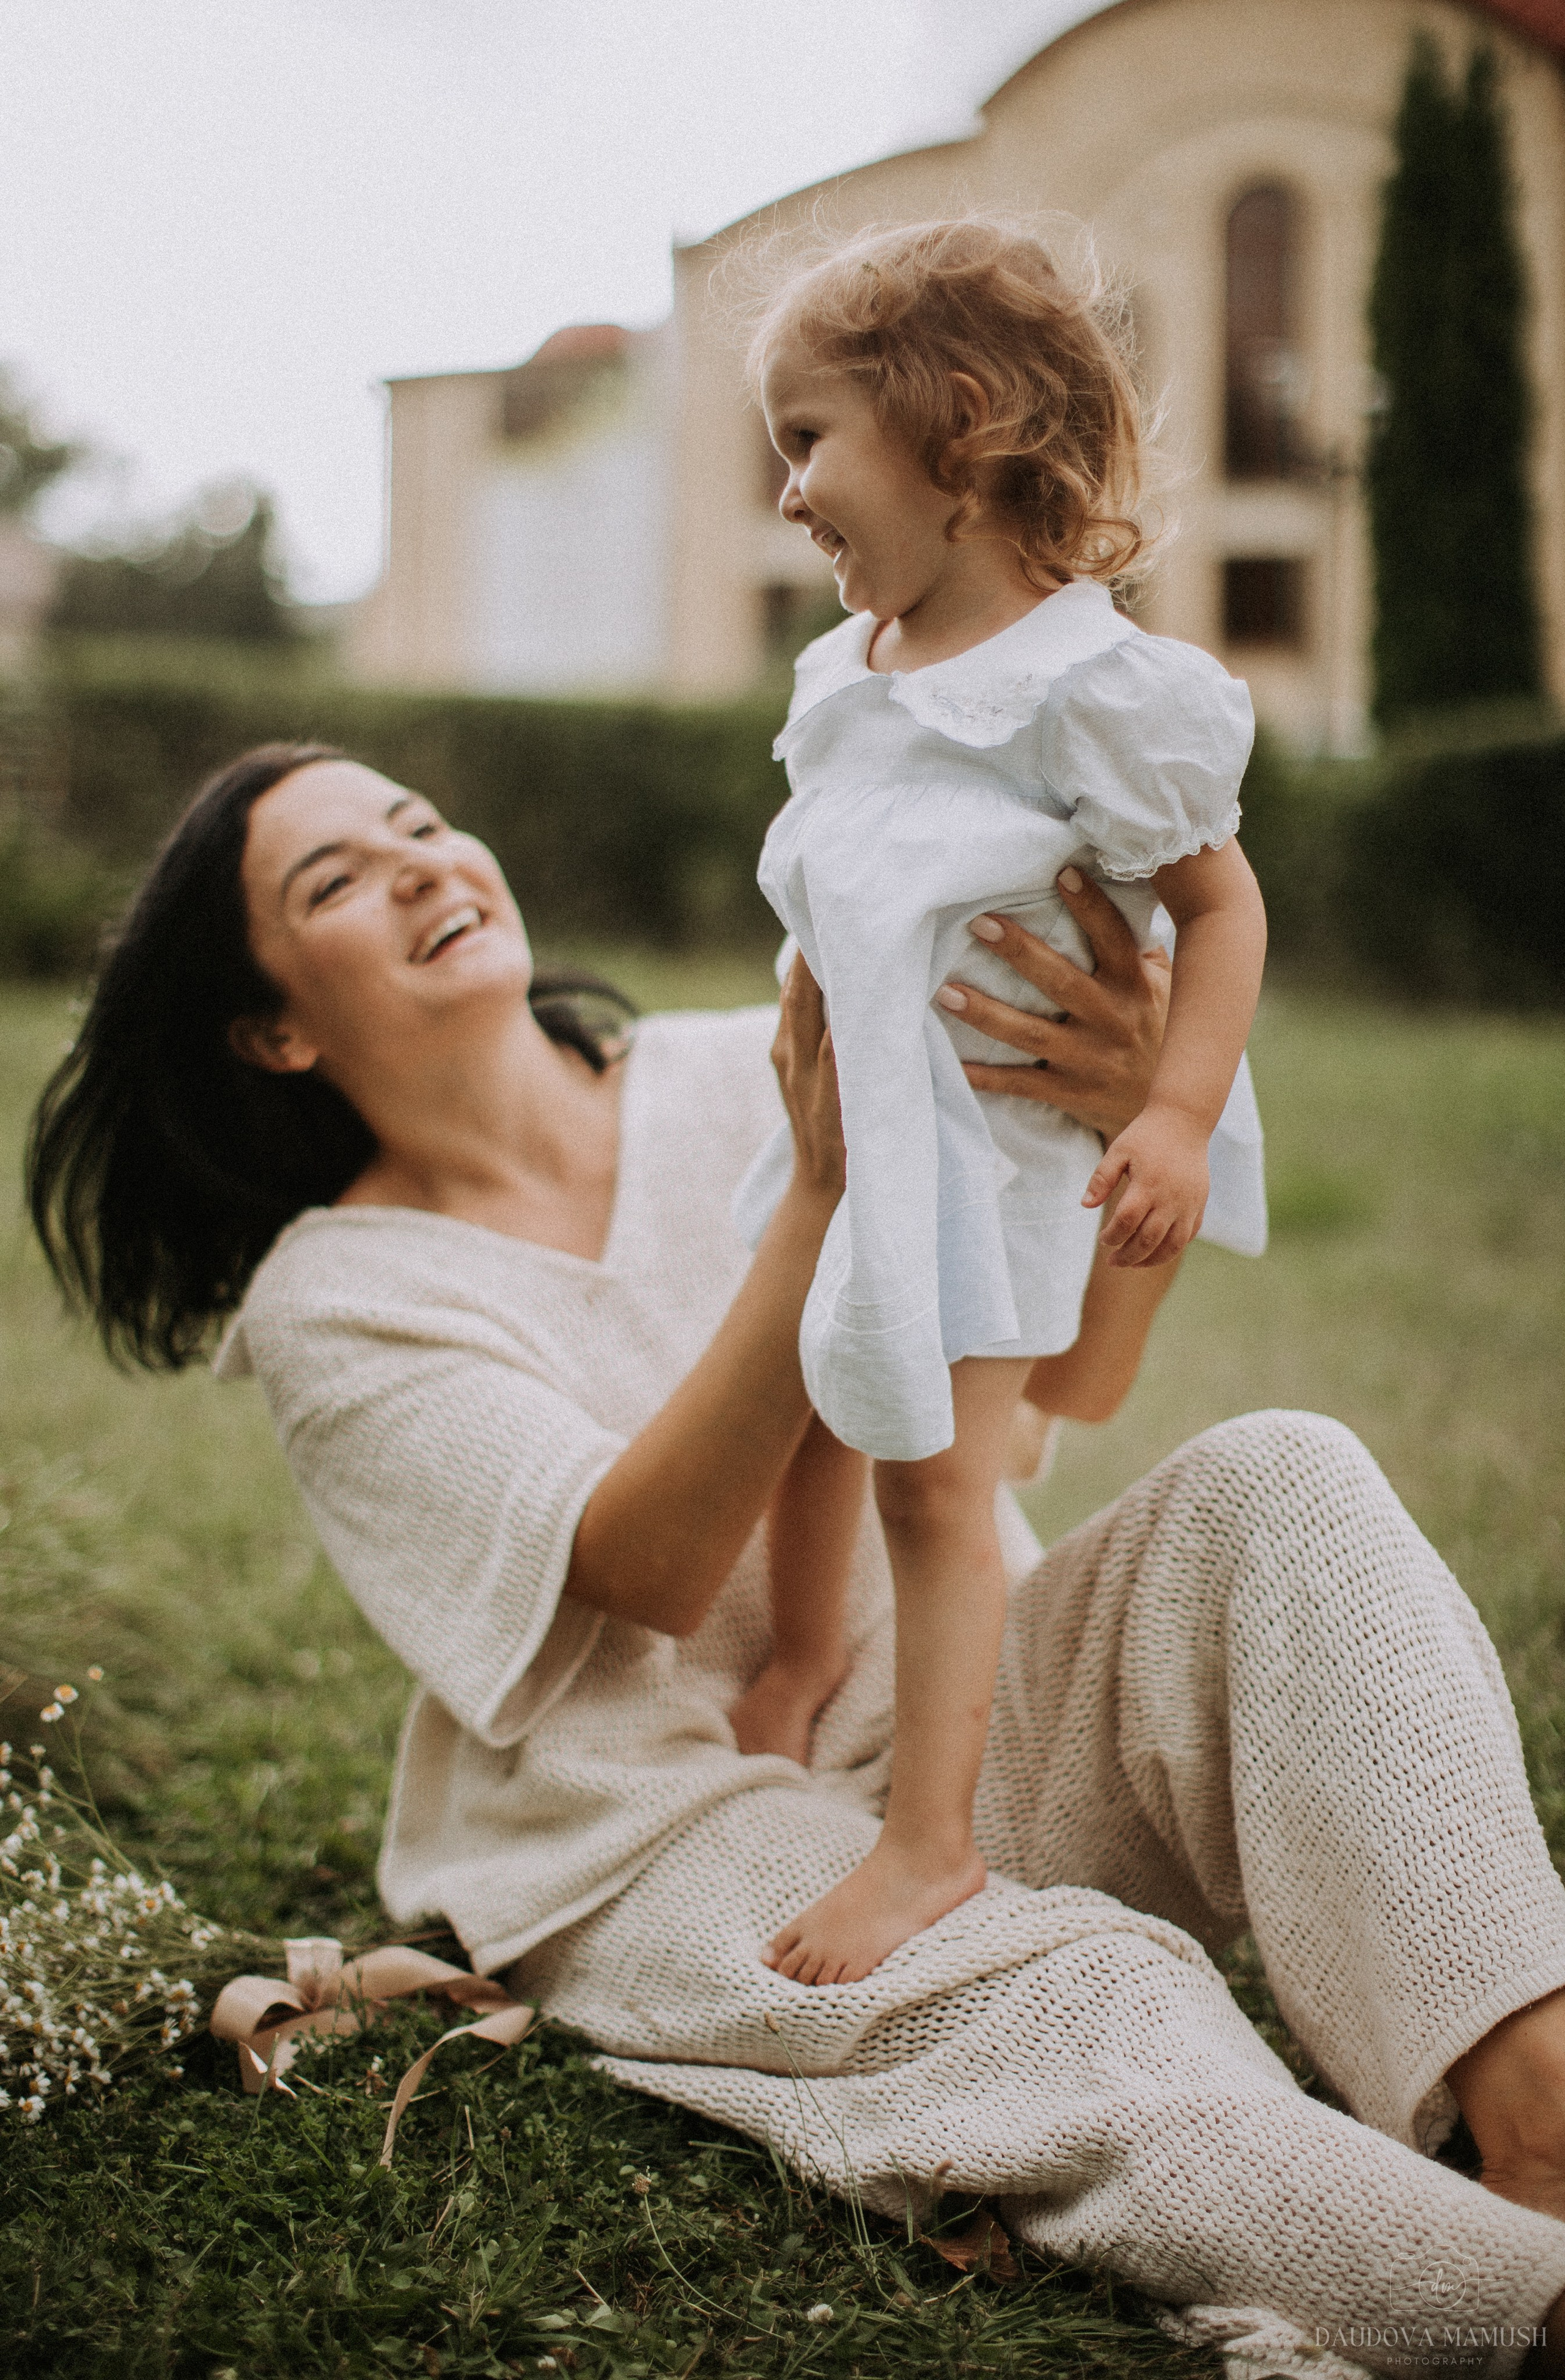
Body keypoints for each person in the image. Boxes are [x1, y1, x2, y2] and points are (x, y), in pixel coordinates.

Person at [26, 743, 1565, 2374]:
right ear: (277, 1029)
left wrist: (1126, 1133)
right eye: (332, 880)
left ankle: (1535, 2127)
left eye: (418, 822)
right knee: (1075, 2002)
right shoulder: (338, 1299)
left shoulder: (731, 1064)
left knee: (1285, 1482)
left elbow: (1066, 1390)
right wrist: (824, 1193)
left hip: (952, 1715)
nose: (419, 862)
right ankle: (1513, 2304)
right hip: (659, 1826)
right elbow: (645, 1567)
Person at [727, 216, 1269, 1986]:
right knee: (824, 1408)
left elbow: (1219, 909)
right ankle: (807, 1667)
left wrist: (1175, 1114)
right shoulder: (846, 675)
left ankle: (929, 1848)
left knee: (932, 1489)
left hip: (987, 1155)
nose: (790, 490)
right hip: (861, 1139)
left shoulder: (1090, 686)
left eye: (809, 437)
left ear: (955, 431)